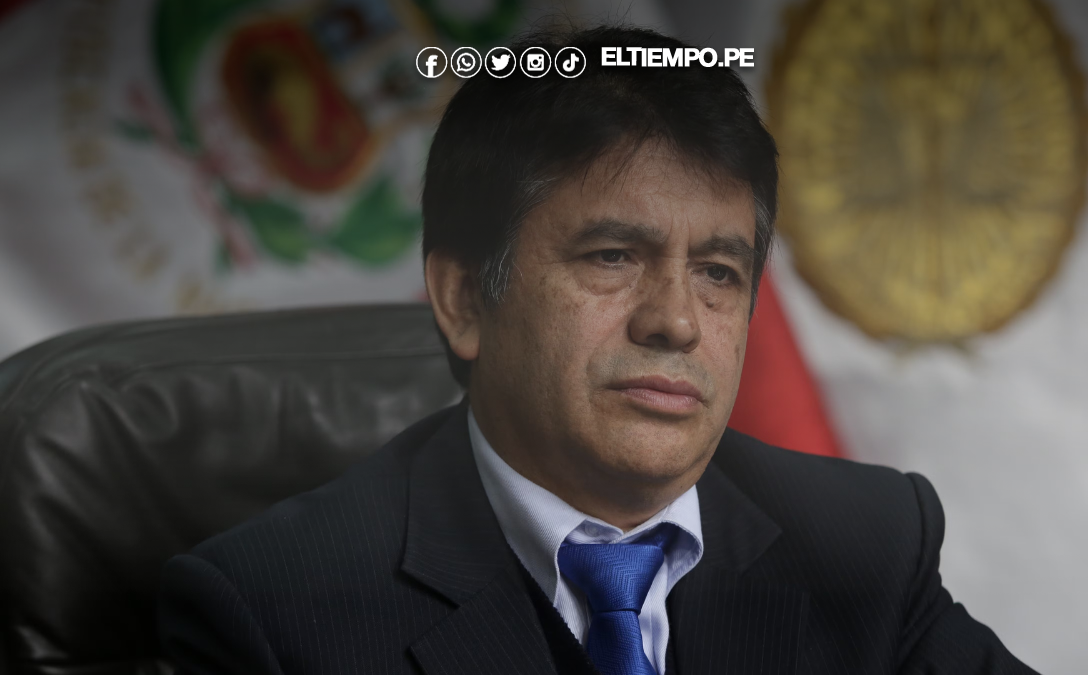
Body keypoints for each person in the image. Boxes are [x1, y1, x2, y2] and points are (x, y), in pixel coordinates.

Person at [158, 26, 1037, 675]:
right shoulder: (273, 613)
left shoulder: (864, 543)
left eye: (719, 272)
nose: (677, 321)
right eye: (613, 256)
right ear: (463, 299)